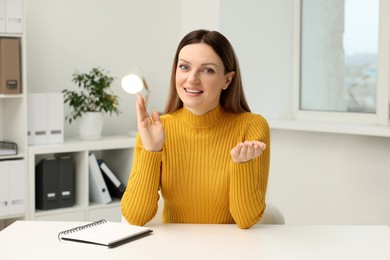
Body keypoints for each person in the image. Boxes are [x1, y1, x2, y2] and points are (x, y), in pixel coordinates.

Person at [121, 29, 270, 229]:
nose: (192, 78)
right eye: (184, 67)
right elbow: (135, 217)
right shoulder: (156, 129)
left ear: (227, 79)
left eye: (207, 70)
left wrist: (241, 165)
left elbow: (247, 219)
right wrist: (152, 151)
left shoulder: (251, 127)